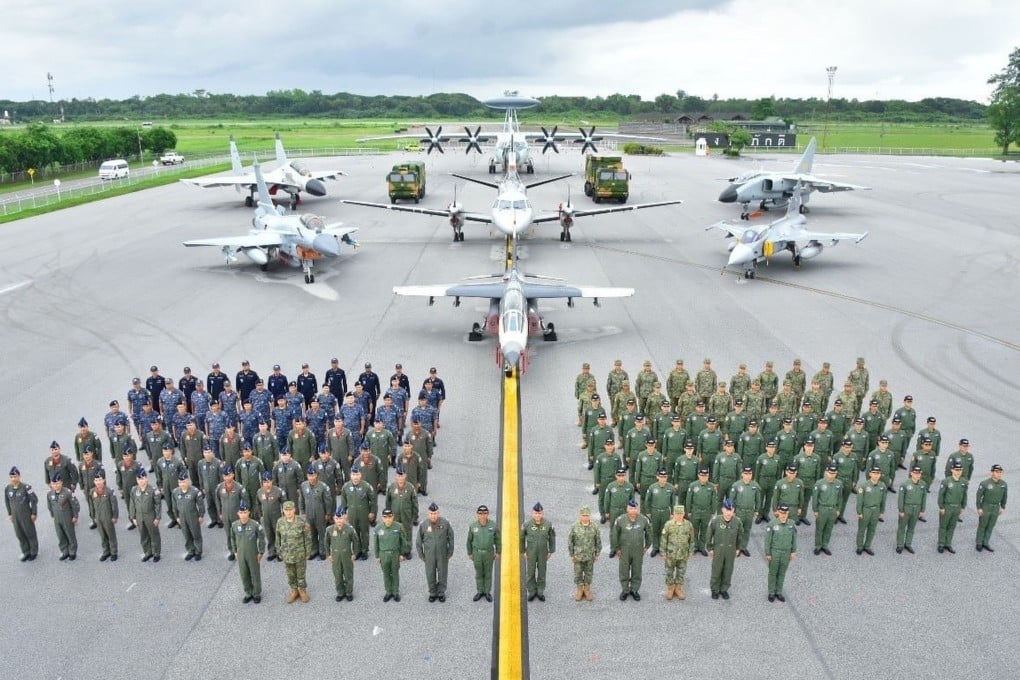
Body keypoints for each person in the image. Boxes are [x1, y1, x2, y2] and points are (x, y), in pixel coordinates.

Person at [611, 499, 651, 601]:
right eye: (631, 508)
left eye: (635, 508)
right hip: (624, 549)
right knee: (624, 570)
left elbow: (649, 533)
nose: (633, 510)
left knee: (637, 569)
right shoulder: (620, 520)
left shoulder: (644, 520)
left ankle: (634, 590)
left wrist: (647, 546)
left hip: (638, 549)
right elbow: (614, 534)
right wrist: (617, 548)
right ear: (627, 509)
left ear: (638, 509)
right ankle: (625, 590)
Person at [417, 502, 454, 602]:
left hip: (442, 554)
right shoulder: (423, 525)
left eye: (435, 513)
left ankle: (441, 592)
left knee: (442, 573)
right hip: (429, 555)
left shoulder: (445, 523)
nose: (433, 516)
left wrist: (450, 552)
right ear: (428, 514)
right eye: (431, 514)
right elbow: (419, 541)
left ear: (439, 513)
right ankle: (433, 592)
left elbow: (451, 538)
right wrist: (421, 554)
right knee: (430, 573)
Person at [229, 501, 266, 603]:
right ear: (238, 513)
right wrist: (235, 551)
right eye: (241, 513)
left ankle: (256, 593)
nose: (243, 515)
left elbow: (262, 538)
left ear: (249, 512)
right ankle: (248, 592)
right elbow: (232, 538)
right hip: (240, 554)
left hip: (252, 553)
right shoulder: (234, 525)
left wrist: (261, 552)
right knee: (244, 574)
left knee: (254, 574)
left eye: (245, 512)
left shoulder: (255, 524)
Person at [707, 498, 743, 600]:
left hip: (731, 550)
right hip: (718, 549)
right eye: (726, 510)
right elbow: (709, 534)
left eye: (730, 510)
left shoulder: (737, 522)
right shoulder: (715, 520)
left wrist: (738, 548)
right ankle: (715, 589)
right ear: (722, 510)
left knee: (728, 570)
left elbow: (740, 536)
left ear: (733, 511)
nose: (728, 513)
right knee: (716, 570)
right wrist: (710, 548)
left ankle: (724, 589)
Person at [277, 500, 312, 602]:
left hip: (300, 553)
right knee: (290, 573)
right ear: (283, 510)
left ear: (294, 510)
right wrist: (279, 551)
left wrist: (308, 551)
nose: (288, 512)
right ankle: (294, 590)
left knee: (301, 573)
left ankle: (302, 590)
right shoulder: (280, 522)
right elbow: (277, 538)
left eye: (290, 510)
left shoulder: (301, 522)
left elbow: (308, 538)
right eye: (286, 510)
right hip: (287, 554)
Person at [521, 502, 555, 602]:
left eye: (539, 513)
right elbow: (521, 538)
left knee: (542, 572)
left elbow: (552, 538)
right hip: (530, 552)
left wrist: (551, 551)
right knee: (530, 573)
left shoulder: (548, 524)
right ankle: (532, 591)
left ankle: (540, 591)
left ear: (543, 514)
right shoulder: (527, 524)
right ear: (532, 514)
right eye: (536, 513)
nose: (537, 515)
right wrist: (523, 551)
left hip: (543, 553)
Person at [764, 504, 797, 602]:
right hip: (775, 552)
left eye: (785, 513)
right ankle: (771, 592)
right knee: (773, 573)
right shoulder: (772, 524)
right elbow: (768, 540)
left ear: (788, 513)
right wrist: (768, 553)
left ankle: (778, 592)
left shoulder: (791, 524)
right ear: (778, 512)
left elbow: (794, 539)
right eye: (782, 513)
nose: (783, 515)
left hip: (786, 553)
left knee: (782, 573)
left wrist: (793, 551)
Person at [567, 505, 600, 602]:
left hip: (590, 556)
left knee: (589, 573)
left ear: (589, 516)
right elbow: (570, 541)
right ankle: (579, 590)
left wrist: (597, 553)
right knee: (578, 573)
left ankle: (587, 589)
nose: (585, 517)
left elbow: (597, 540)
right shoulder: (574, 526)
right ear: (580, 516)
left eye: (587, 515)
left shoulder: (594, 527)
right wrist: (572, 555)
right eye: (583, 515)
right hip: (578, 556)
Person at [326, 506, 360, 602]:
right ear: (334, 518)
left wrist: (355, 553)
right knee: (338, 575)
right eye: (337, 518)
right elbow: (326, 542)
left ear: (344, 517)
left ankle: (349, 592)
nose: (339, 521)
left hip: (347, 556)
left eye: (341, 518)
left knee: (348, 574)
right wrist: (328, 554)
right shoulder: (329, 530)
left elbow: (356, 541)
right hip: (335, 557)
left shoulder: (350, 529)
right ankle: (340, 593)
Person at [660, 505, 693, 600]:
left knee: (681, 571)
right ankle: (670, 588)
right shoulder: (668, 524)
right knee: (669, 571)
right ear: (673, 514)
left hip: (683, 554)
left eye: (681, 513)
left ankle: (678, 588)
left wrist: (690, 552)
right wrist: (663, 552)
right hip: (670, 554)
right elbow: (663, 540)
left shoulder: (688, 525)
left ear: (684, 514)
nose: (679, 515)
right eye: (677, 513)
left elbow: (691, 540)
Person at [299, 466, 333, 560]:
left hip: (320, 513)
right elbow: (301, 499)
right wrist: (302, 512)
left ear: (316, 475)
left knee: (322, 533)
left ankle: (323, 551)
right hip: (308, 513)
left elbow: (328, 501)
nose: (311, 478)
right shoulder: (303, 485)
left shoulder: (323, 486)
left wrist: (328, 513)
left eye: (313, 475)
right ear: (307, 476)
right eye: (310, 476)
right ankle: (314, 550)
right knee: (311, 533)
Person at [5, 467, 39, 561]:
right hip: (15, 517)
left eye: (15, 476)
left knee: (30, 533)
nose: (13, 479)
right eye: (11, 477)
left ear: (19, 476)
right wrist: (10, 514)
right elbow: (7, 502)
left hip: (26, 515)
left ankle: (33, 551)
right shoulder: (8, 488)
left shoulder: (26, 487)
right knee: (19, 534)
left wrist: (34, 513)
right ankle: (26, 552)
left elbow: (34, 500)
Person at [375, 508, 407, 601]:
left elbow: (403, 541)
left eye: (390, 517)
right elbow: (376, 543)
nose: (388, 519)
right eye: (385, 517)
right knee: (386, 574)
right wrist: (377, 556)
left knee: (395, 573)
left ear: (393, 517)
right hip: (383, 554)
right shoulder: (378, 528)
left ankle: (395, 592)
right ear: (382, 518)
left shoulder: (398, 526)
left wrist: (401, 554)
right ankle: (388, 592)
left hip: (395, 554)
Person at [811, 464, 843, 556]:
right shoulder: (819, 483)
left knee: (829, 528)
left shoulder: (838, 484)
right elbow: (815, 498)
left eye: (834, 473)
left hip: (833, 509)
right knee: (819, 528)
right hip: (822, 509)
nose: (832, 475)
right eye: (830, 473)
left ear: (836, 473)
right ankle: (818, 545)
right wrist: (815, 510)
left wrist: (838, 510)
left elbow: (840, 498)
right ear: (826, 472)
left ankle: (825, 545)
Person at [130, 468, 161, 562]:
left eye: (143, 478)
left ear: (147, 479)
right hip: (139, 517)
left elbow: (158, 505)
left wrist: (157, 517)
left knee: (153, 535)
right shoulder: (134, 490)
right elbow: (132, 504)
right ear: (136, 480)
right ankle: (147, 552)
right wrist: (133, 517)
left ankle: (156, 553)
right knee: (143, 536)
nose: (141, 481)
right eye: (139, 479)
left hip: (150, 516)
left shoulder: (153, 490)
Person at [728, 467, 761, 556]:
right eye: (746, 474)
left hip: (750, 512)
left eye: (749, 474)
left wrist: (757, 510)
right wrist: (732, 511)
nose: (747, 476)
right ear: (742, 474)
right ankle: (735, 548)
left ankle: (743, 547)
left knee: (747, 529)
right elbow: (731, 499)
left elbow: (758, 499)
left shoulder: (755, 486)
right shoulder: (736, 485)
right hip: (739, 511)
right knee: (737, 530)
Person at [47, 473, 80, 560]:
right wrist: (52, 515)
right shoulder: (50, 494)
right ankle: (64, 551)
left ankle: (72, 551)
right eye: (53, 484)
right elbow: (50, 506)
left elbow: (75, 505)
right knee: (60, 535)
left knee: (70, 534)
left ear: (61, 482)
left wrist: (75, 516)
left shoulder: (68, 492)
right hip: (57, 518)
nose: (55, 485)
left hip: (67, 517)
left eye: (57, 483)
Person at [172, 471, 204, 561]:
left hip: (193, 516)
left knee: (195, 534)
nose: (182, 484)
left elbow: (200, 505)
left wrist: (201, 515)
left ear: (188, 481)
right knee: (186, 534)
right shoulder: (175, 492)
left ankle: (198, 551)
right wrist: (177, 517)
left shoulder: (195, 491)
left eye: (184, 482)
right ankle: (191, 550)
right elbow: (174, 506)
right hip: (182, 517)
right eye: (180, 482)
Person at [975, 465, 1007, 552]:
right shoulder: (985, 483)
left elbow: (1004, 496)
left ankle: (985, 542)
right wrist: (979, 508)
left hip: (996, 507)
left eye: (1000, 472)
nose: (999, 474)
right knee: (982, 525)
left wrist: (1003, 506)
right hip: (986, 506)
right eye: (997, 472)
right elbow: (979, 496)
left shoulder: (1003, 484)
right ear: (991, 472)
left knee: (990, 525)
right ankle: (979, 542)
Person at [937, 462, 967, 554]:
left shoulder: (963, 482)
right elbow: (941, 495)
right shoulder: (946, 481)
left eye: (960, 470)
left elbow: (964, 495)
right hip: (947, 507)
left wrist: (963, 506)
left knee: (952, 526)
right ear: (952, 470)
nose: (958, 472)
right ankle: (941, 544)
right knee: (943, 526)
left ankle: (948, 544)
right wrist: (941, 507)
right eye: (956, 470)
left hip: (957, 507)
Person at [855, 467, 886, 556]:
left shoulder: (882, 486)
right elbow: (860, 500)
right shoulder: (863, 486)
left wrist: (882, 511)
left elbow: (883, 500)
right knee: (862, 529)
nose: (876, 475)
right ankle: (860, 546)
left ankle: (867, 546)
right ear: (870, 474)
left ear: (880, 475)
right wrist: (859, 512)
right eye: (874, 473)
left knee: (872, 530)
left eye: (878, 473)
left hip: (876, 510)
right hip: (866, 510)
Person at [896, 466, 927, 554]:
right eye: (916, 473)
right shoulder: (905, 484)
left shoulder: (923, 484)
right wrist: (901, 510)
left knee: (911, 528)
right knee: (902, 527)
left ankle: (908, 544)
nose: (917, 475)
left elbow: (924, 497)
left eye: (919, 473)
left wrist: (922, 510)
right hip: (906, 508)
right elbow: (901, 498)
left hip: (917, 509)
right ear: (911, 473)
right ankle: (900, 545)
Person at [686, 468, 716, 556]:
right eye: (702, 475)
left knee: (704, 530)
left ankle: (702, 547)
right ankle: (694, 546)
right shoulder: (693, 485)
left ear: (708, 476)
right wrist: (689, 511)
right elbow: (689, 499)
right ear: (699, 475)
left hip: (706, 511)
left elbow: (714, 500)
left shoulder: (711, 487)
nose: (704, 477)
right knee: (694, 529)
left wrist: (713, 512)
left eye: (706, 476)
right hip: (695, 511)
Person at [256, 472, 285, 561]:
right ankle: (271, 552)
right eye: (265, 482)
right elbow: (257, 504)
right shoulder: (259, 492)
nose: (267, 484)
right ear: (262, 483)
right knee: (269, 534)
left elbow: (284, 502)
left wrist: (284, 515)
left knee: (277, 534)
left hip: (276, 517)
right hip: (266, 518)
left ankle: (279, 553)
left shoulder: (278, 491)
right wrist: (260, 515)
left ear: (271, 481)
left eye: (268, 482)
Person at [92, 470, 119, 561]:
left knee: (110, 534)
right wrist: (93, 517)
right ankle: (106, 551)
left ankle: (114, 552)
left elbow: (114, 505)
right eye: (96, 480)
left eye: (100, 480)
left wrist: (115, 516)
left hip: (107, 516)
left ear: (104, 480)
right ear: (94, 482)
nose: (98, 482)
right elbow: (91, 505)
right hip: (98, 517)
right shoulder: (92, 491)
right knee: (102, 535)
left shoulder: (109, 491)